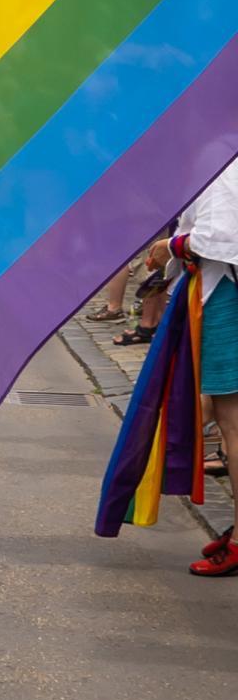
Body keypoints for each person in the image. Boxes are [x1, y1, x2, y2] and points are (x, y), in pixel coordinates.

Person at [147, 156, 238, 577]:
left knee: (233, 421)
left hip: (226, 294)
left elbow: (217, 238)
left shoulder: (223, 161)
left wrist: (168, 247)